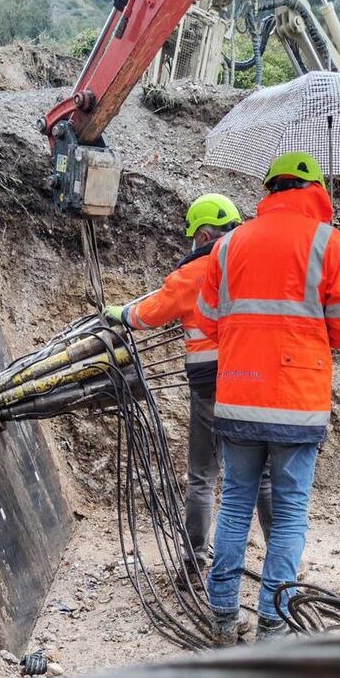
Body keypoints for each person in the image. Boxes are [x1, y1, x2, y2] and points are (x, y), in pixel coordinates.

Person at [196, 152, 340, 644]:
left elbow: (207, 318)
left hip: (238, 394)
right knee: (291, 510)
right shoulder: (331, 242)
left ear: (269, 190)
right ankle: (273, 622)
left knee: (235, 504)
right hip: (297, 399)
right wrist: (312, 336)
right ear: (315, 190)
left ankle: (223, 615)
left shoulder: (228, 245)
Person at [103, 195, 273, 591]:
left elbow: (152, 312)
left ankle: (194, 564)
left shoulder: (197, 270)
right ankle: (281, 563)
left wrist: (122, 313)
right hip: (256, 382)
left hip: (211, 387)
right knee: (263, 477)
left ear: (204, 235)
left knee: (202, 476)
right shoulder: (255, 265)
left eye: (194, 236)